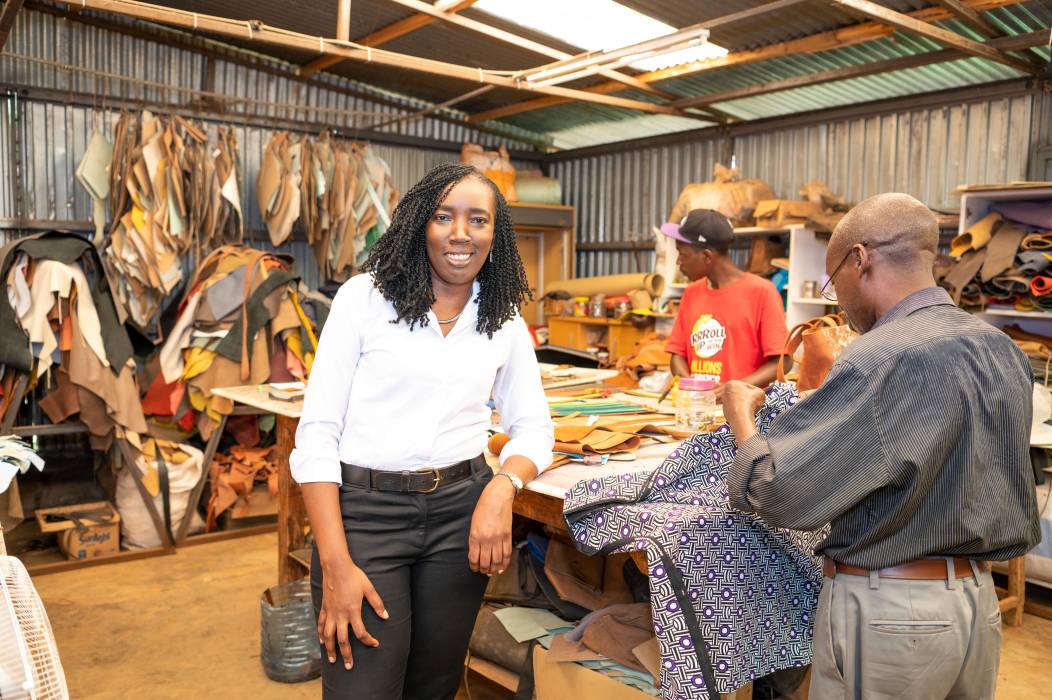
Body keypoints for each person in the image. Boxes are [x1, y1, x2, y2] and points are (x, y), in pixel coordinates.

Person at [722, 193, 1040, 699]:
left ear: (859, 259)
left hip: (894, 613)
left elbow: (778, 494)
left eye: (834, 283)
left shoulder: (881, 357)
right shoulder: (1000, 348)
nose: (839, 302)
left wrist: (741, 419)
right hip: (976, 604)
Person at [290, 163, 554, 700]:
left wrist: (502, 488)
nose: (461, 234)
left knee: (432, 688)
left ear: (494, 234)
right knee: (361, 690)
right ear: (419, 224)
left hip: (460, 516)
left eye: (477, 220)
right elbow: (316, 436)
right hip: (365, 517)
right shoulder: (364, 299)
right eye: (444, 217)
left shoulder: (501, 318)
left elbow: (533, 429)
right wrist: (337, 565)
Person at [662, 209, 788, 398]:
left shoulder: (762, 292)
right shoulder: (691, 292)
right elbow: (677, 354)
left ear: (706, 256)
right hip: (700, 407)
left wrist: (733, 388)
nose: (679, 261)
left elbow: (783, 362)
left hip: (744, 411)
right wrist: (692, 386)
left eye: (682, 254)